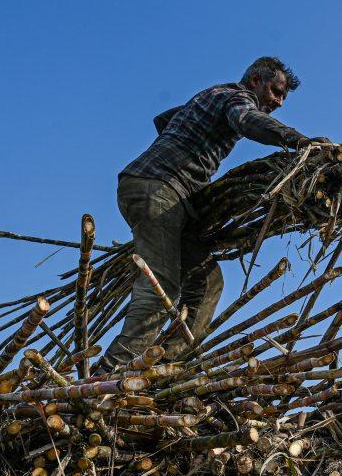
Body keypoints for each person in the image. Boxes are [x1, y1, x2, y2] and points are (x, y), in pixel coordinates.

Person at [96, 56, 321, 371]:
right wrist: (297, 140)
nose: (279, 102)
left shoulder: (210, 96)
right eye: (275, 91)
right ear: (255, 80)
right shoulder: (237, 96)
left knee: (207, 279)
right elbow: (246, 119)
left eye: (283, 97)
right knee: (162, 284)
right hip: (158, 187)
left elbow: (165, 120)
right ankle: (111, 370)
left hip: (167, 195)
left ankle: (163, 365)